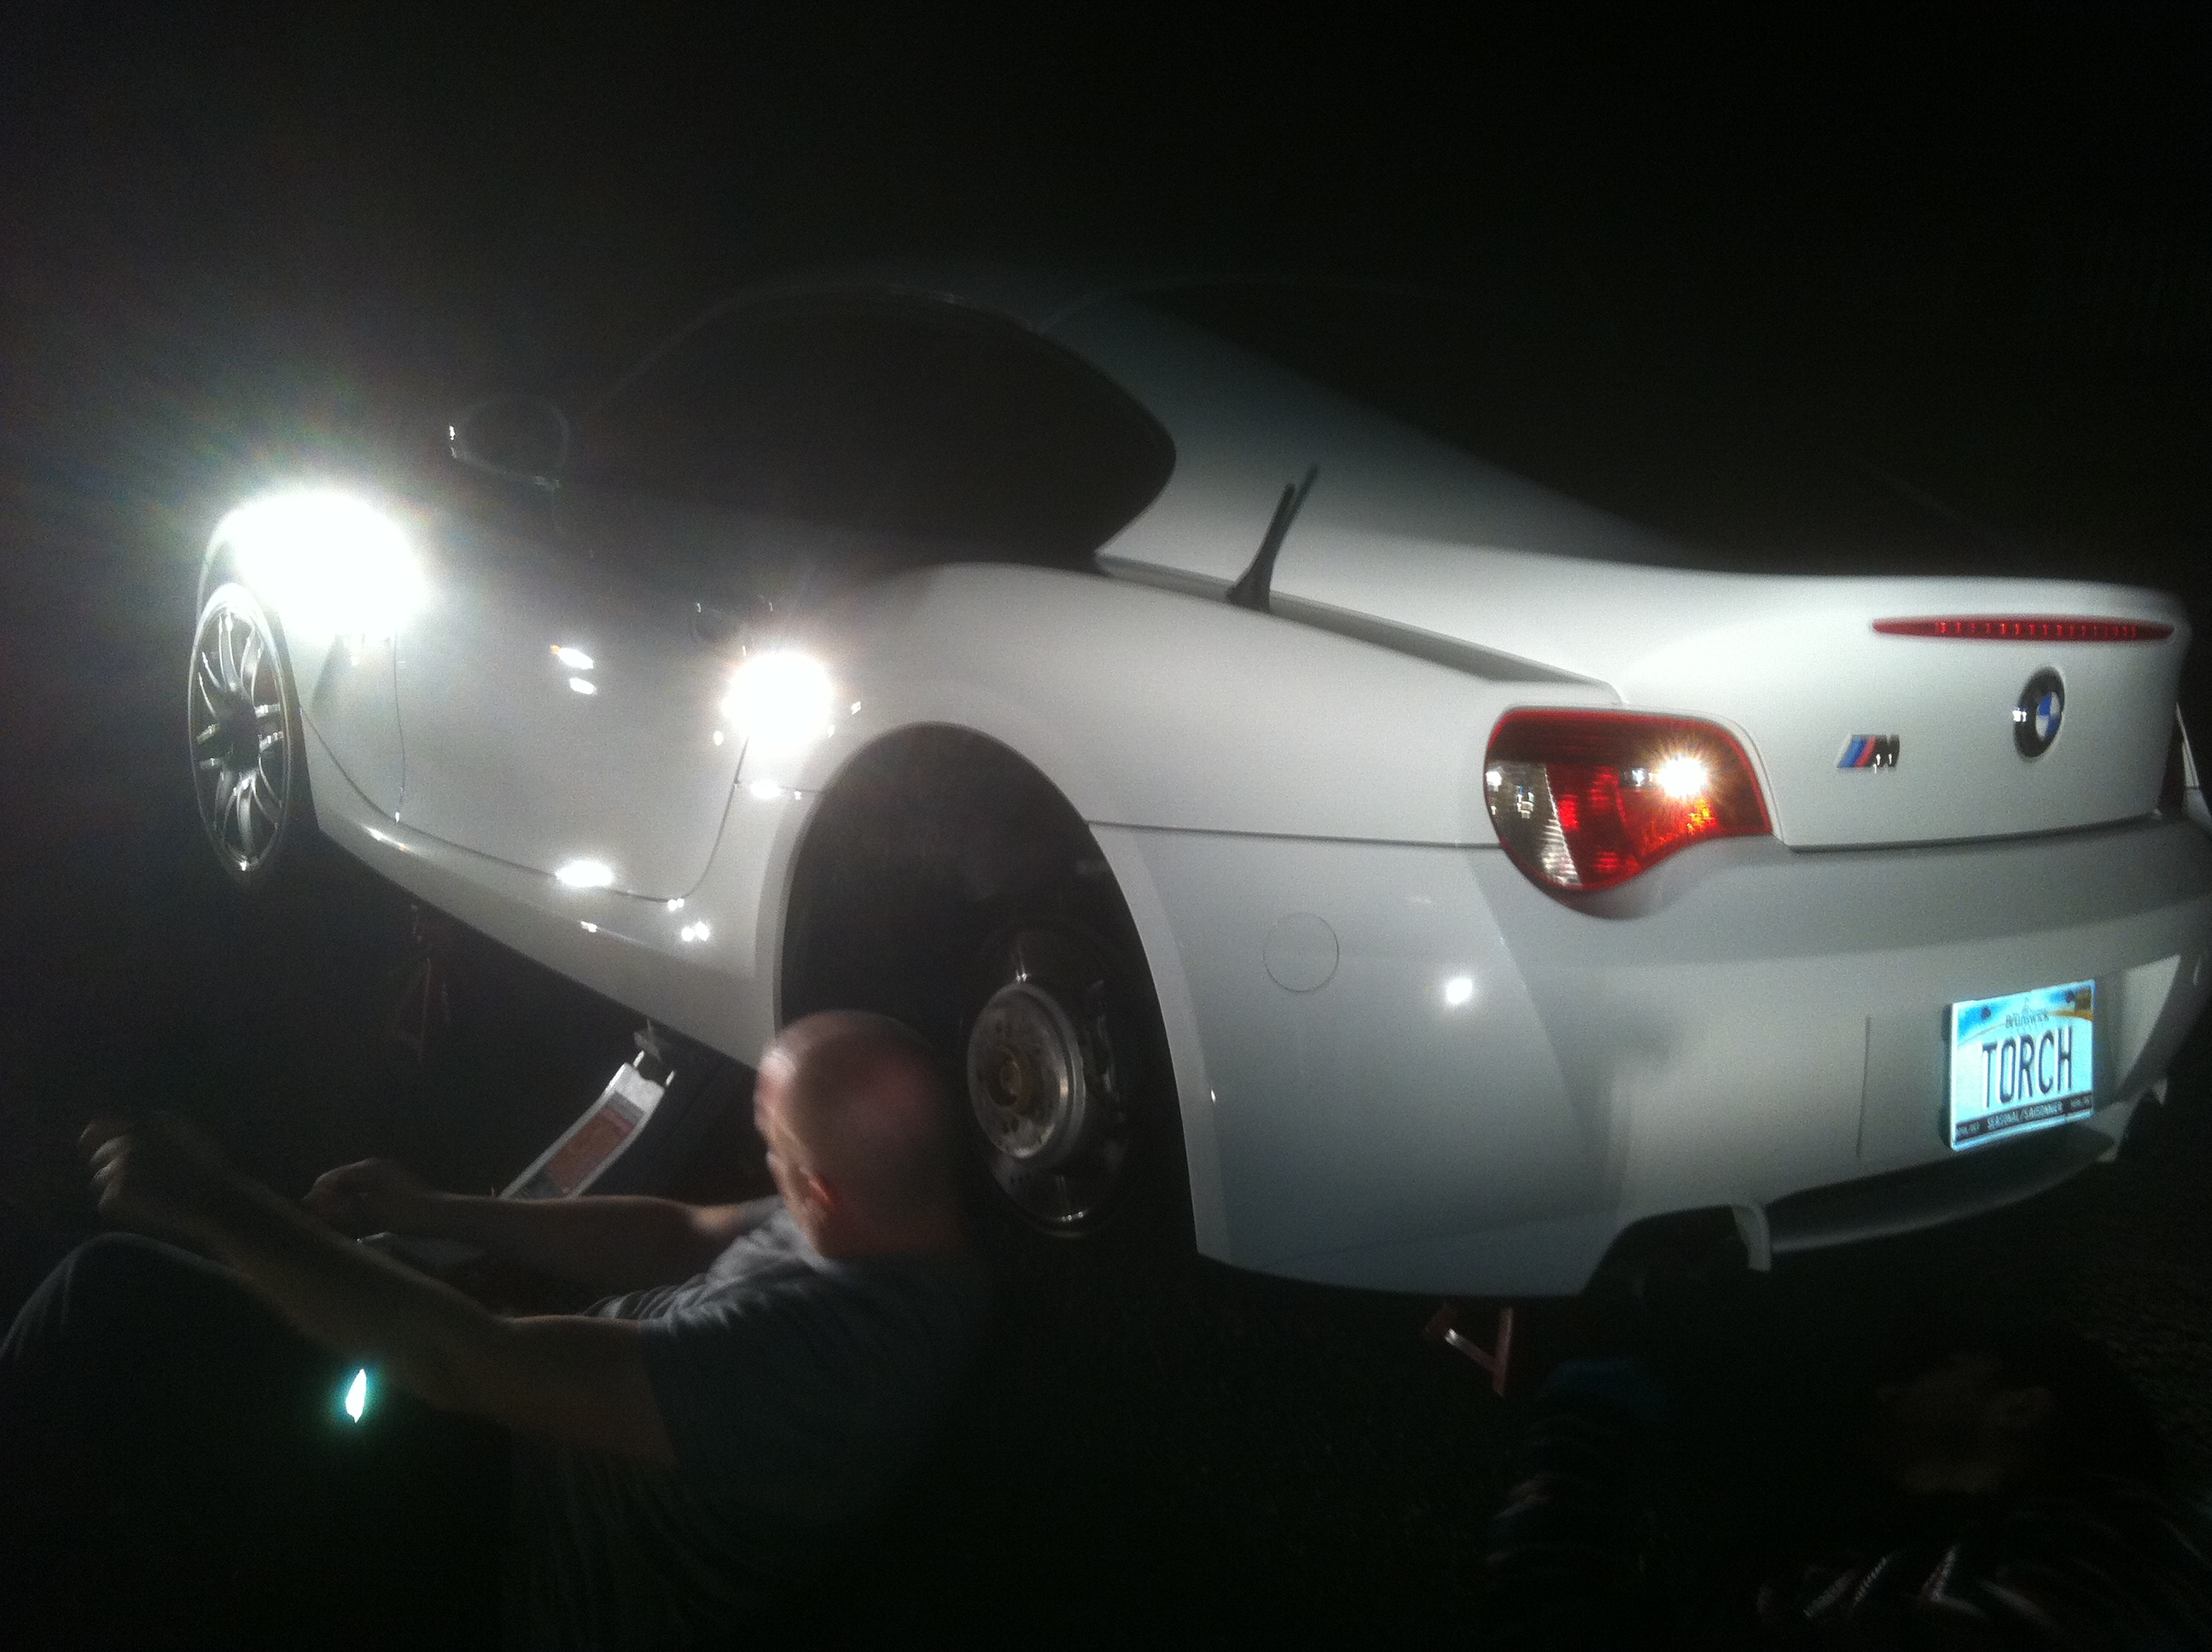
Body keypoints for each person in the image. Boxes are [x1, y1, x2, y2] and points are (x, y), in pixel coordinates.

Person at [0, 1011, 987, 1648]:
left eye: (772, 1152)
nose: (760, 1163)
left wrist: (214, 1201)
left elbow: (465, 1361)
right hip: (498, 1434)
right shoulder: (883, 1214)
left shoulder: (822, 1362)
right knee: (229, 1301)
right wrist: (439, 1210)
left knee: (109, 1295)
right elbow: (681, 1232)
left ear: (820, 1187)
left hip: (493, 1547)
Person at [1475, 1312, 2212, 1649]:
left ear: (2021, 1406)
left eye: (1940, 1368)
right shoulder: (2124, 1557)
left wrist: (1576, 1442)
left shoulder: (2103, 1572)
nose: (1891, 1391)